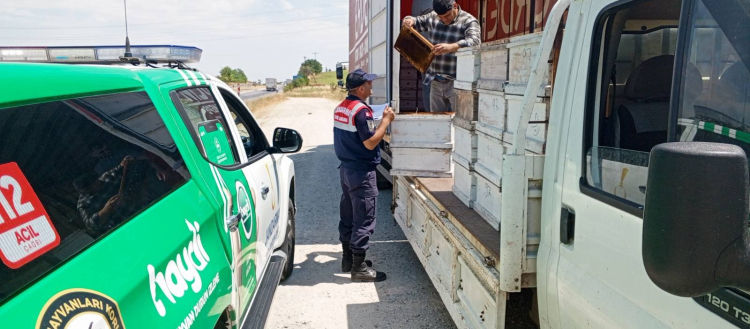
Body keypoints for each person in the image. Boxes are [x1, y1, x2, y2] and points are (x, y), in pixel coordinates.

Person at [334, 68, 395, 282]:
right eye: (369, 84)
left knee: (349, 215)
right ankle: (359, 269)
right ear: (361, 88)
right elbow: (370, 143)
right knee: (365, 218)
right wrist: (386, 121)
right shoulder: (362, 111)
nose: (371, 86)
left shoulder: (341, 107)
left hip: (346, 170)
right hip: (361, 171)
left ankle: (348, 259)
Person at [403, 0, 481, 112]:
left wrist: (452, 47)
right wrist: (409, 20)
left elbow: (475, 42)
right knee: (437, 122)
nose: (444, 19)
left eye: (447, 15)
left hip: (457, 82)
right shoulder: (433, 17)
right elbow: (416, 21)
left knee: (458, 120)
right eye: (441, 17)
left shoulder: (469, 21)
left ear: (454, 6)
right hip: (436, 81)